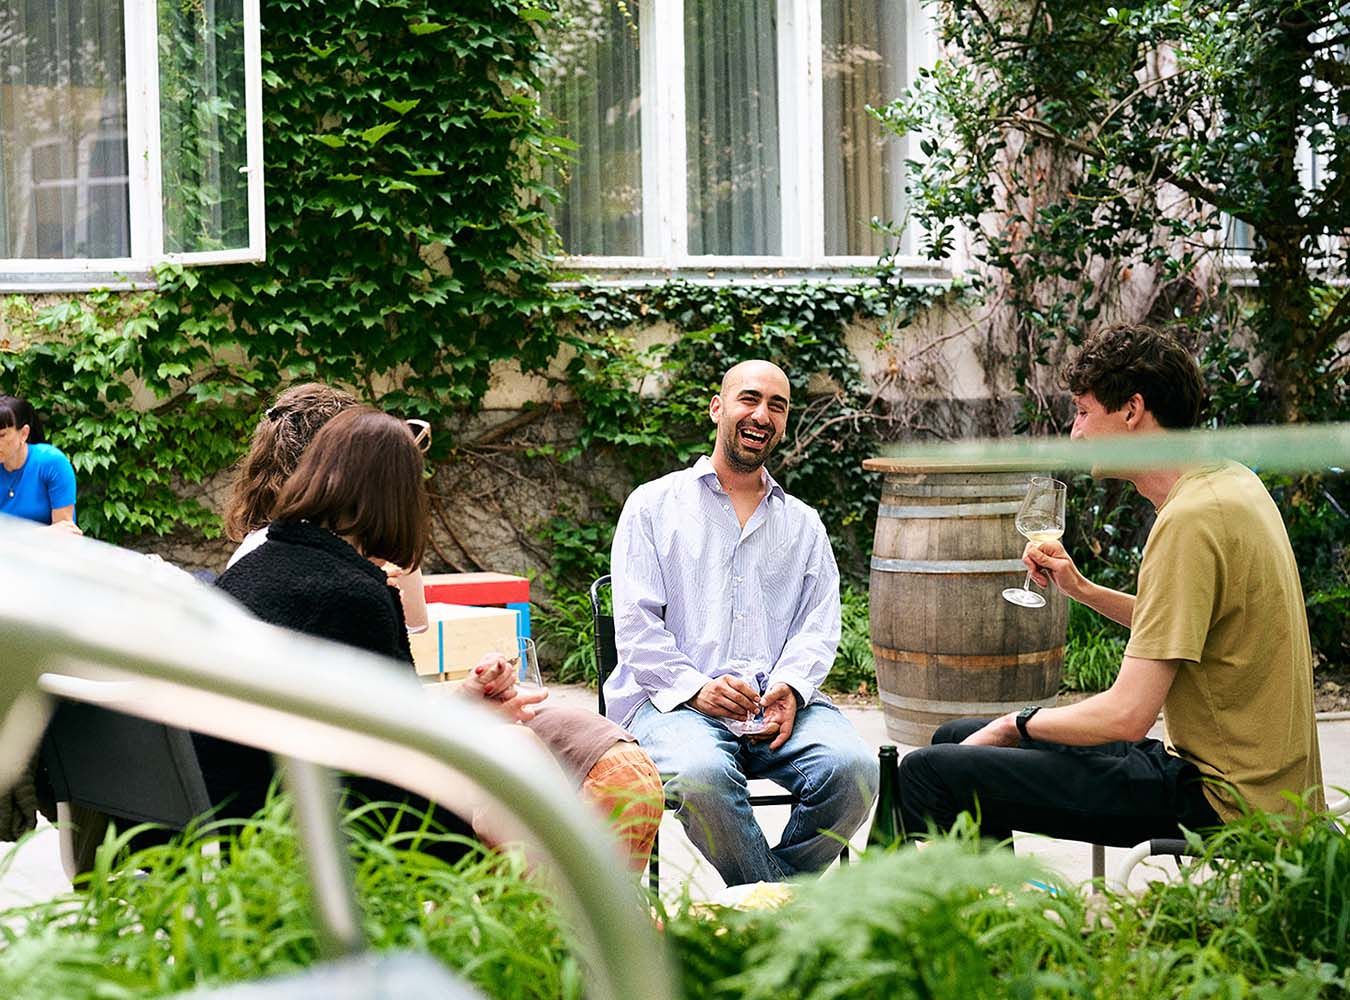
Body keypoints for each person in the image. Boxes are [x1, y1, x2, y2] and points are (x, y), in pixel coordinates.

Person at [897, 324, 1325, 847]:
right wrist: (1082, 589)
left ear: (1131, 410)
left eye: (1082, 411)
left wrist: (1017, 722)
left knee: (929, 771)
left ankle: (1001, 921)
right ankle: (999, 906)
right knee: (955, 740)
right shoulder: (1231, 482)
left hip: (1222, 798)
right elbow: (1192, 621)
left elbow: (1126, 716)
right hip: (1256, 783)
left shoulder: (1189, 519)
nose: (1074, 433)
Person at [221, 384, 661, 868]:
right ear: (398, 500)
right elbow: (396, 771)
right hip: (331, 834)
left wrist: (466, 704)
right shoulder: (353, 594)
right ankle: (564, 919)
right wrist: (469, 844)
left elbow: (380, 717)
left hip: (257, 817)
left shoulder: (252, 571)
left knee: (522, 748)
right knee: (515, 759)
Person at [607, 359, 877, 887]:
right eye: (749, 399)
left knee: (856, 773)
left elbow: (818, 625)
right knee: (703, 775)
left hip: (774, 707)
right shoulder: (653, 506)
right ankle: (781, 912)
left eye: (777, 406)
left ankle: (764, 908)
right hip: (671, 705)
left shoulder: (802, 523)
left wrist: (792, 689)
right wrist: (696, 689)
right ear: (717, 408)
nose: (762, 415)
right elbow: (637, 629)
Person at [0, 394, 80, 533]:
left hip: (47, 553)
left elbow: (67, 533)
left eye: (1, 435)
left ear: (24, 433)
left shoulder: (52, 463)